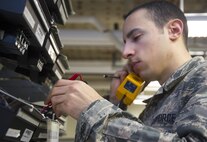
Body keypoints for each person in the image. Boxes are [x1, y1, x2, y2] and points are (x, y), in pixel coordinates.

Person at [45, 1, 207, 141]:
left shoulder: (203, 80)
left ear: (174, 30)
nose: (125, 52)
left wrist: (95, 110)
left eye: (136, 37)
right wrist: (117, 102)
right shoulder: (162, 99)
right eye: (124, 42)